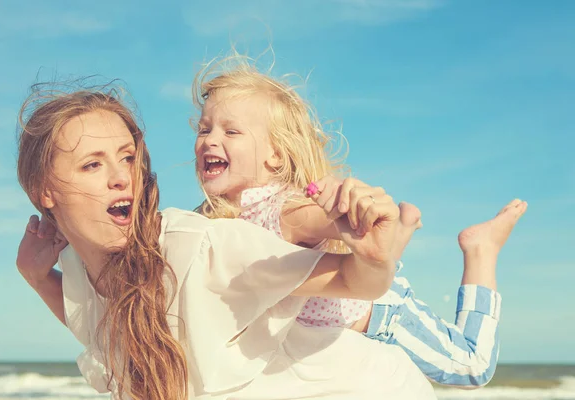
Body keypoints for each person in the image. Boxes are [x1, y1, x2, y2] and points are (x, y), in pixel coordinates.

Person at [16, 86, 437, 399]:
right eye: (92, 164)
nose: (122, 177)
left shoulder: (197, 247)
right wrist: (38, 279)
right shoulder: (78, 270)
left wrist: (375, 252)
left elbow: (355, 282)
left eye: (128, 158)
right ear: (44, 192)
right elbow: (103, 333)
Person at [192, 56, 528, 387]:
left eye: (231, 131)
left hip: (383, 315)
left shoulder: (284, 211)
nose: (209, 139)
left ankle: (482, 249)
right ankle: (403, 232)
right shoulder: (217, 218)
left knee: (472, 365)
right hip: (357, 293)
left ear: (276, 154)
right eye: (204, 129)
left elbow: (329, 221)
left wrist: (344, 206)